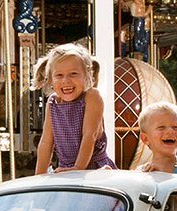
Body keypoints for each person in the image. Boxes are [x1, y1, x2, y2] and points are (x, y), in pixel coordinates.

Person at [33, 43, 117, 174]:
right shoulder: (53, 102)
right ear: (50, 79)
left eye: (73, 74)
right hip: (66, 170)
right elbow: (46, 142)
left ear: (87, 75)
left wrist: (78, 168)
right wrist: (39, 175)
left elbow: (90, 135)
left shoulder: (91, 96)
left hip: (93, 169)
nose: (66, 81)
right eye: (59, 75)